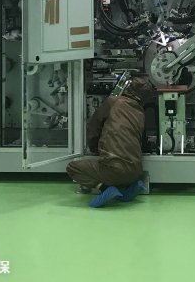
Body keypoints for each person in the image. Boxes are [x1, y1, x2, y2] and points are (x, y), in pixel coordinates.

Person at [66, 77, 155, 208]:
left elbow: (93, 127)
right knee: (119, 174)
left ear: (127, 88)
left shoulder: (113, 102)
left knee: (73, 168)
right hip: (135, 171)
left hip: (114, 169)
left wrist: (94, 148)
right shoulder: (140, 113)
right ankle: (128, 190)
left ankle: (104, 188)